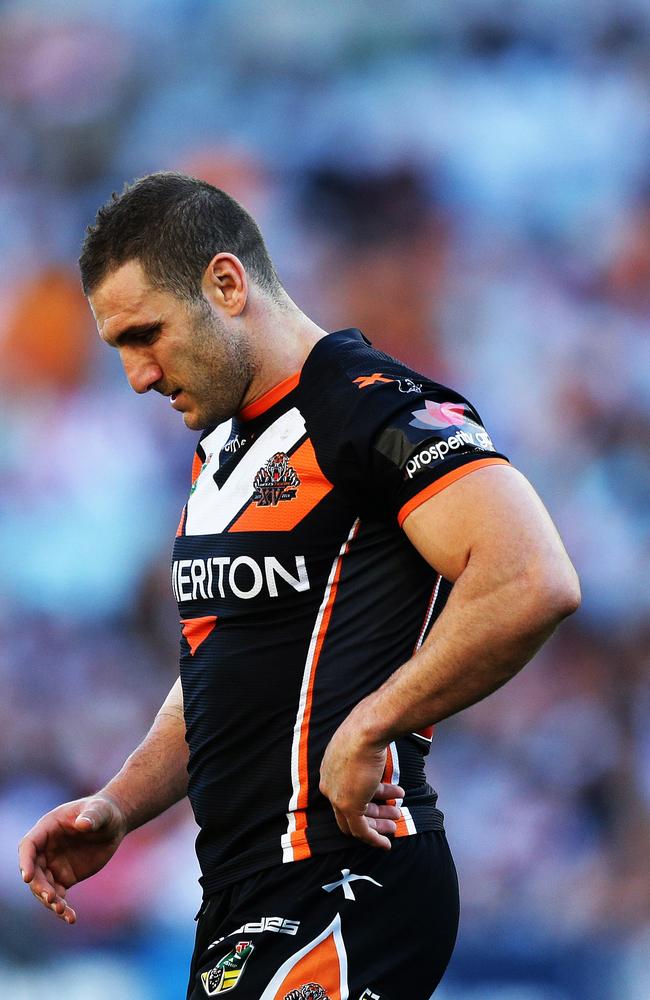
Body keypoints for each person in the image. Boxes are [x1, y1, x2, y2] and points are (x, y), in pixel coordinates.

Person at [18, 173, 580, 1000]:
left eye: (147, 335)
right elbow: (221, 672)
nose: (137, 375)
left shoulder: (371, 407)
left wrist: (373, 724)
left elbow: (531, 577)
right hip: (240, 901)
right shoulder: (220, 458)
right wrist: (120, 804)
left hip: (350, 881)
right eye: (120, 350)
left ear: (226, 283)